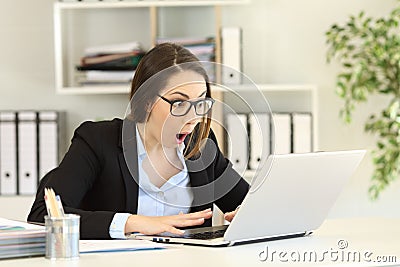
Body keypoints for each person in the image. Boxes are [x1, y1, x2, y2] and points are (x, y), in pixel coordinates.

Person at [28, 43, 249, 239]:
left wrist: (249, 215)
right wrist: (134, 222)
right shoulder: (97, 141)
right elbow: (43, 215)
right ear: (146, 101)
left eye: (201, 103)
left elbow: (249, 204)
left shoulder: (200, 145)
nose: (193, 119)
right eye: (179, 104)